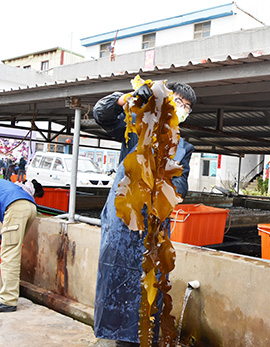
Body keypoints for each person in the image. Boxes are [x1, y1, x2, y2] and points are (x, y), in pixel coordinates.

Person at [93, 81, 196, 346]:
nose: (182, 109)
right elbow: (102, 114)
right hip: (122, 224)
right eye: (178, 102)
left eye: (187, 107)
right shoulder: (136, 127)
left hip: (154, 231)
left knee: (148, 297)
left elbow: (180, 185)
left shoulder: (183, 148)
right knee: (117, 288)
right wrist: (123, 99)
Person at [0, 179, 44, 312]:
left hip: (15, 208)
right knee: (11, 251)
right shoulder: (8, 185)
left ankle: (8, 300)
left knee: (10, 254)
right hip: (28, 207)